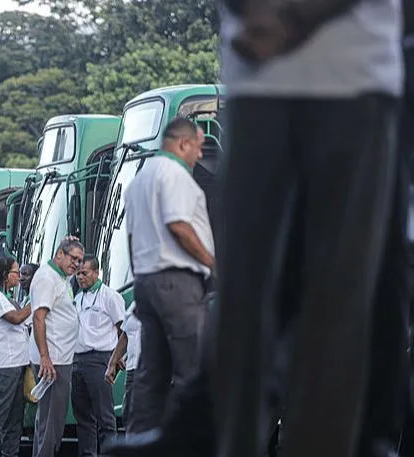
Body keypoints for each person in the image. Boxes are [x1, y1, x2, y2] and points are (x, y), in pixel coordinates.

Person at [213, 0, 403, 455]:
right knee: (265, 302)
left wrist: (280, 19)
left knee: (323, 303)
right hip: (271, 74)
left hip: (350, 76)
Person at [123, 118, 214, 429]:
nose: (200, 155)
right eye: (199, 147)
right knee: (194, 369)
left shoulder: (139, 179)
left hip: (147, 282)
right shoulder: (174, 174)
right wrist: (214, 264)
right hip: (177, 282)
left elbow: (133, 239)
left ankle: (139, 442)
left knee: (151, 376)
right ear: (183, 143)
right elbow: (179, 226)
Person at [29, 239, 83, 457]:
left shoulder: (61, 278)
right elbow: (39, 318)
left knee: (48, 421)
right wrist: (45, 357)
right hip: (52, 361)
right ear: (60, 253)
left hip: (59, 358)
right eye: (73, 258)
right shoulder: (47, 278)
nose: (77, 264)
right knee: (53, 422)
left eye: (80, 261)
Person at [71, 255, 124, 457]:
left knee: (105, 417)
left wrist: (116, 357)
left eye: (84, 273)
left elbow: (123, 330)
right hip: (78, 360)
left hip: (99, 358)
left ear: (96, 272)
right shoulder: (78, 297)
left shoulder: (109, 296)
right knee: (83, 418)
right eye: (77, 274)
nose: (80, 277)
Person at [0, 258, 32, 457]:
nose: (19, 277)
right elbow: (16, 319)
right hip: (4, 363)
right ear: (4, 275)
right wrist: (37, 301)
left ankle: (10, 452)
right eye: (15, 273)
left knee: (15, 414)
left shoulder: (5, 297)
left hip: (16, 361)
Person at [104, 302, 145, 435]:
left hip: (155, 371)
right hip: (133, 369)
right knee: (129, 417)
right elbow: (126, 334)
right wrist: (112, 362)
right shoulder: (136, 304)